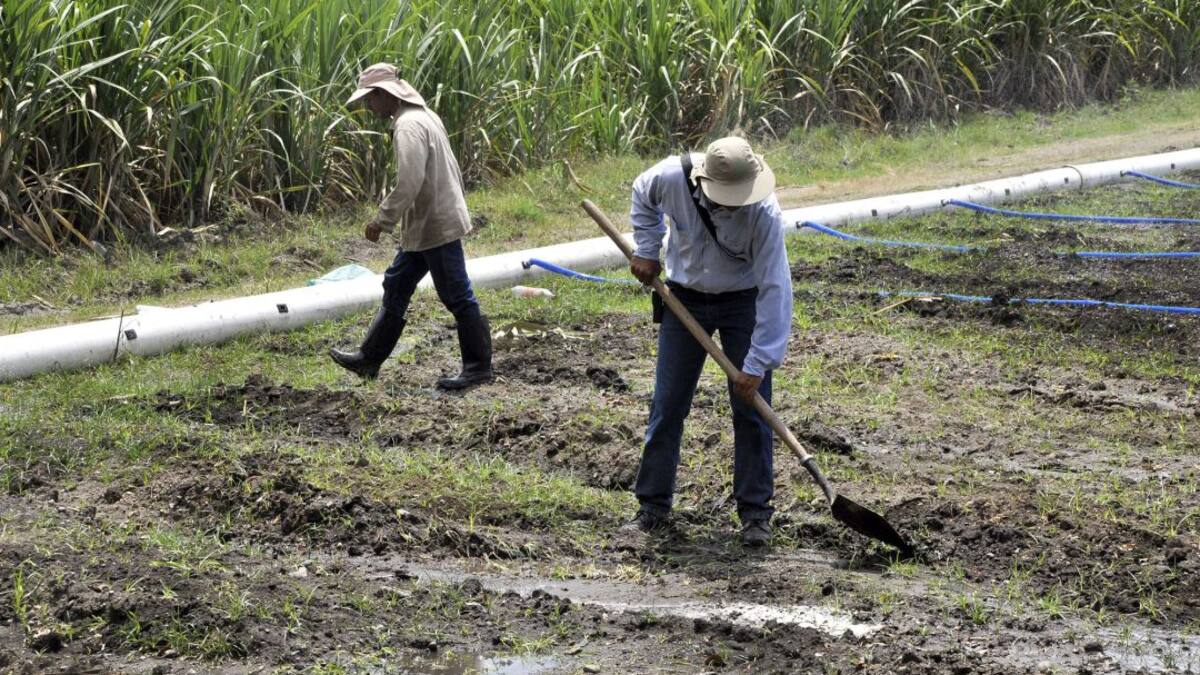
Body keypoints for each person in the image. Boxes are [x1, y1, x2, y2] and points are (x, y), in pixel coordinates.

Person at [622, 137, 793, 547]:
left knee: (752, 409)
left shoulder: (764, 214)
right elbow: (641, 195)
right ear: (704, 182)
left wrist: (758, 362)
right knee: (668, 405)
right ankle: (653, 506)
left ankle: (755, 514)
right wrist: (647, 250)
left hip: (741, 303)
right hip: (684, 301)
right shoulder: (669, 178)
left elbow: (775, 287)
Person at [330, 63, 492, 390]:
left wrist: (382, 220)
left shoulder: (408, 126)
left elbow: (409, 182)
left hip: (436, 224)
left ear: (383, 94)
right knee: (397, 283)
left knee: (457, 295)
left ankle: (478, 369)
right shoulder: (424, 116)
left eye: (369, 100)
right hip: (427, 223)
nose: (368, 107)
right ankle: (369, 358)